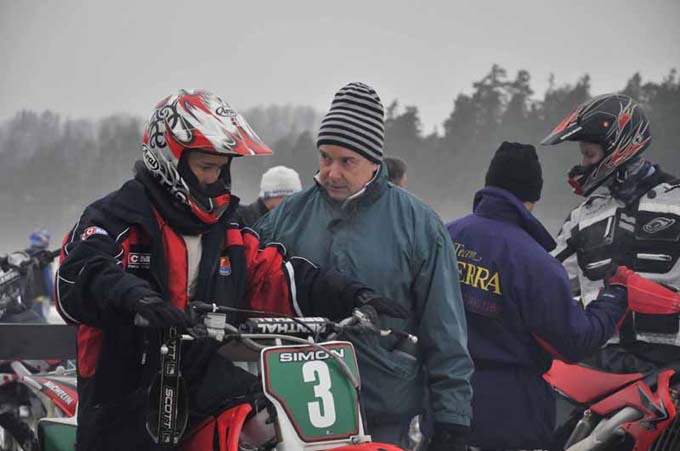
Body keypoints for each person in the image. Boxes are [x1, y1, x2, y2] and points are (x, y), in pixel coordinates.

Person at [55, 89, 406, 451]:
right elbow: (80, 273)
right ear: (169, 160)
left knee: (277, 421)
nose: (216, 179)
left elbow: (277, 275)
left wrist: (351, 294)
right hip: (124, 388)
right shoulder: (116, 218)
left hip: (198, 377)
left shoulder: (226, 232)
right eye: (207, 167)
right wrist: (134, 297)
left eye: (222, 169)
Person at [255, 82, 473, 450]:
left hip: (383, 406)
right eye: (325, 157)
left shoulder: (418, 225)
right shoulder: (286, 218)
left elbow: (445, 327)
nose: (332, 172)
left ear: (374, 163)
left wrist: (452, 417)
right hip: (296, 410)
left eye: (346, 161)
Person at [446, 141, 628, 450]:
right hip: (508, 417)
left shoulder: (445, 235)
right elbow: (574, 342)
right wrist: (613, 298)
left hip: (441, 403)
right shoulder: (537, 263)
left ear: (489, 183)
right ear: (533, 196)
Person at [541, 93, 680, 373]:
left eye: (589, 154)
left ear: (619, 147)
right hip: (602, 368)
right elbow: (544, 282)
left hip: (672, 368)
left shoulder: (675, 201)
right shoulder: (582, 217)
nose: (583, 163)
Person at [236, 165, 302, 226]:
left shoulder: (289, 222)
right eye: (290, 197)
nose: (294, 203)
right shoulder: (240, 221)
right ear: (272, 195)